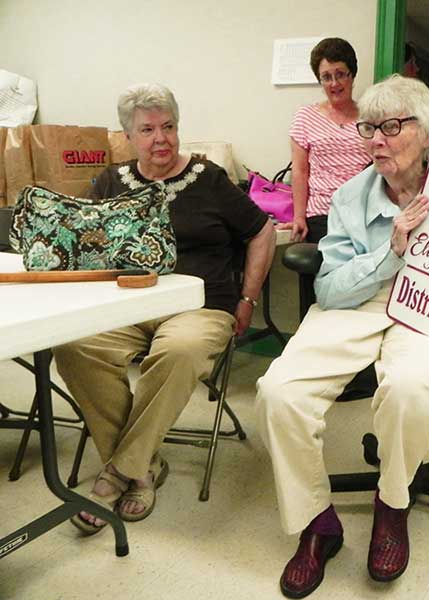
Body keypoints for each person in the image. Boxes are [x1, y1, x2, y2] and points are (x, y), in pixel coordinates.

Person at [256, 75, 429, 598]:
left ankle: (392, 503)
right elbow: (331, 286)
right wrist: (390, 252)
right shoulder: (349, 196)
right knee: (280, 392)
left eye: (392, 127)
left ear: (428, 132)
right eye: (370, 128)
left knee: (412, 388)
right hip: (359, 302)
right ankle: (319, 523)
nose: (376, 141)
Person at [53, 83, 275, 534]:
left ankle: (120, 469)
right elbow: (88, 246)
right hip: (127, 308)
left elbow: (262, 231)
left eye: (169, 126)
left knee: (177, 351)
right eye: (148, 129)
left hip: (200, 306)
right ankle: (143, 462)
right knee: (74, 345)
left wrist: (247, 299)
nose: (162, 139)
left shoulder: (208, 178)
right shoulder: (111, 182)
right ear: (129, 137)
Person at [282, 37, 371, 243]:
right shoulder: (305, 117)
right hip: (320, 216)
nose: (334, 83)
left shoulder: (370, 118)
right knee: (319, 274)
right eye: (326, 77)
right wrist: (299, 216)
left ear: (352, 74)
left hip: (362, 216)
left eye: (340, 74)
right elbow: (300, 171)